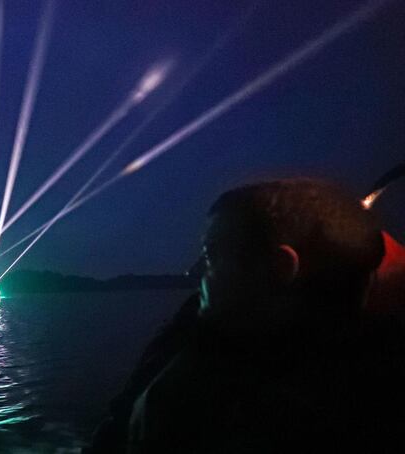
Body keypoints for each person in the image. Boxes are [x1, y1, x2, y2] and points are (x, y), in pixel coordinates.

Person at [126, 179, 405, 453]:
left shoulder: (215, 408)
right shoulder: (375, 383)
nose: (194, 272)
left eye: (210, 254)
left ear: (281, 267)